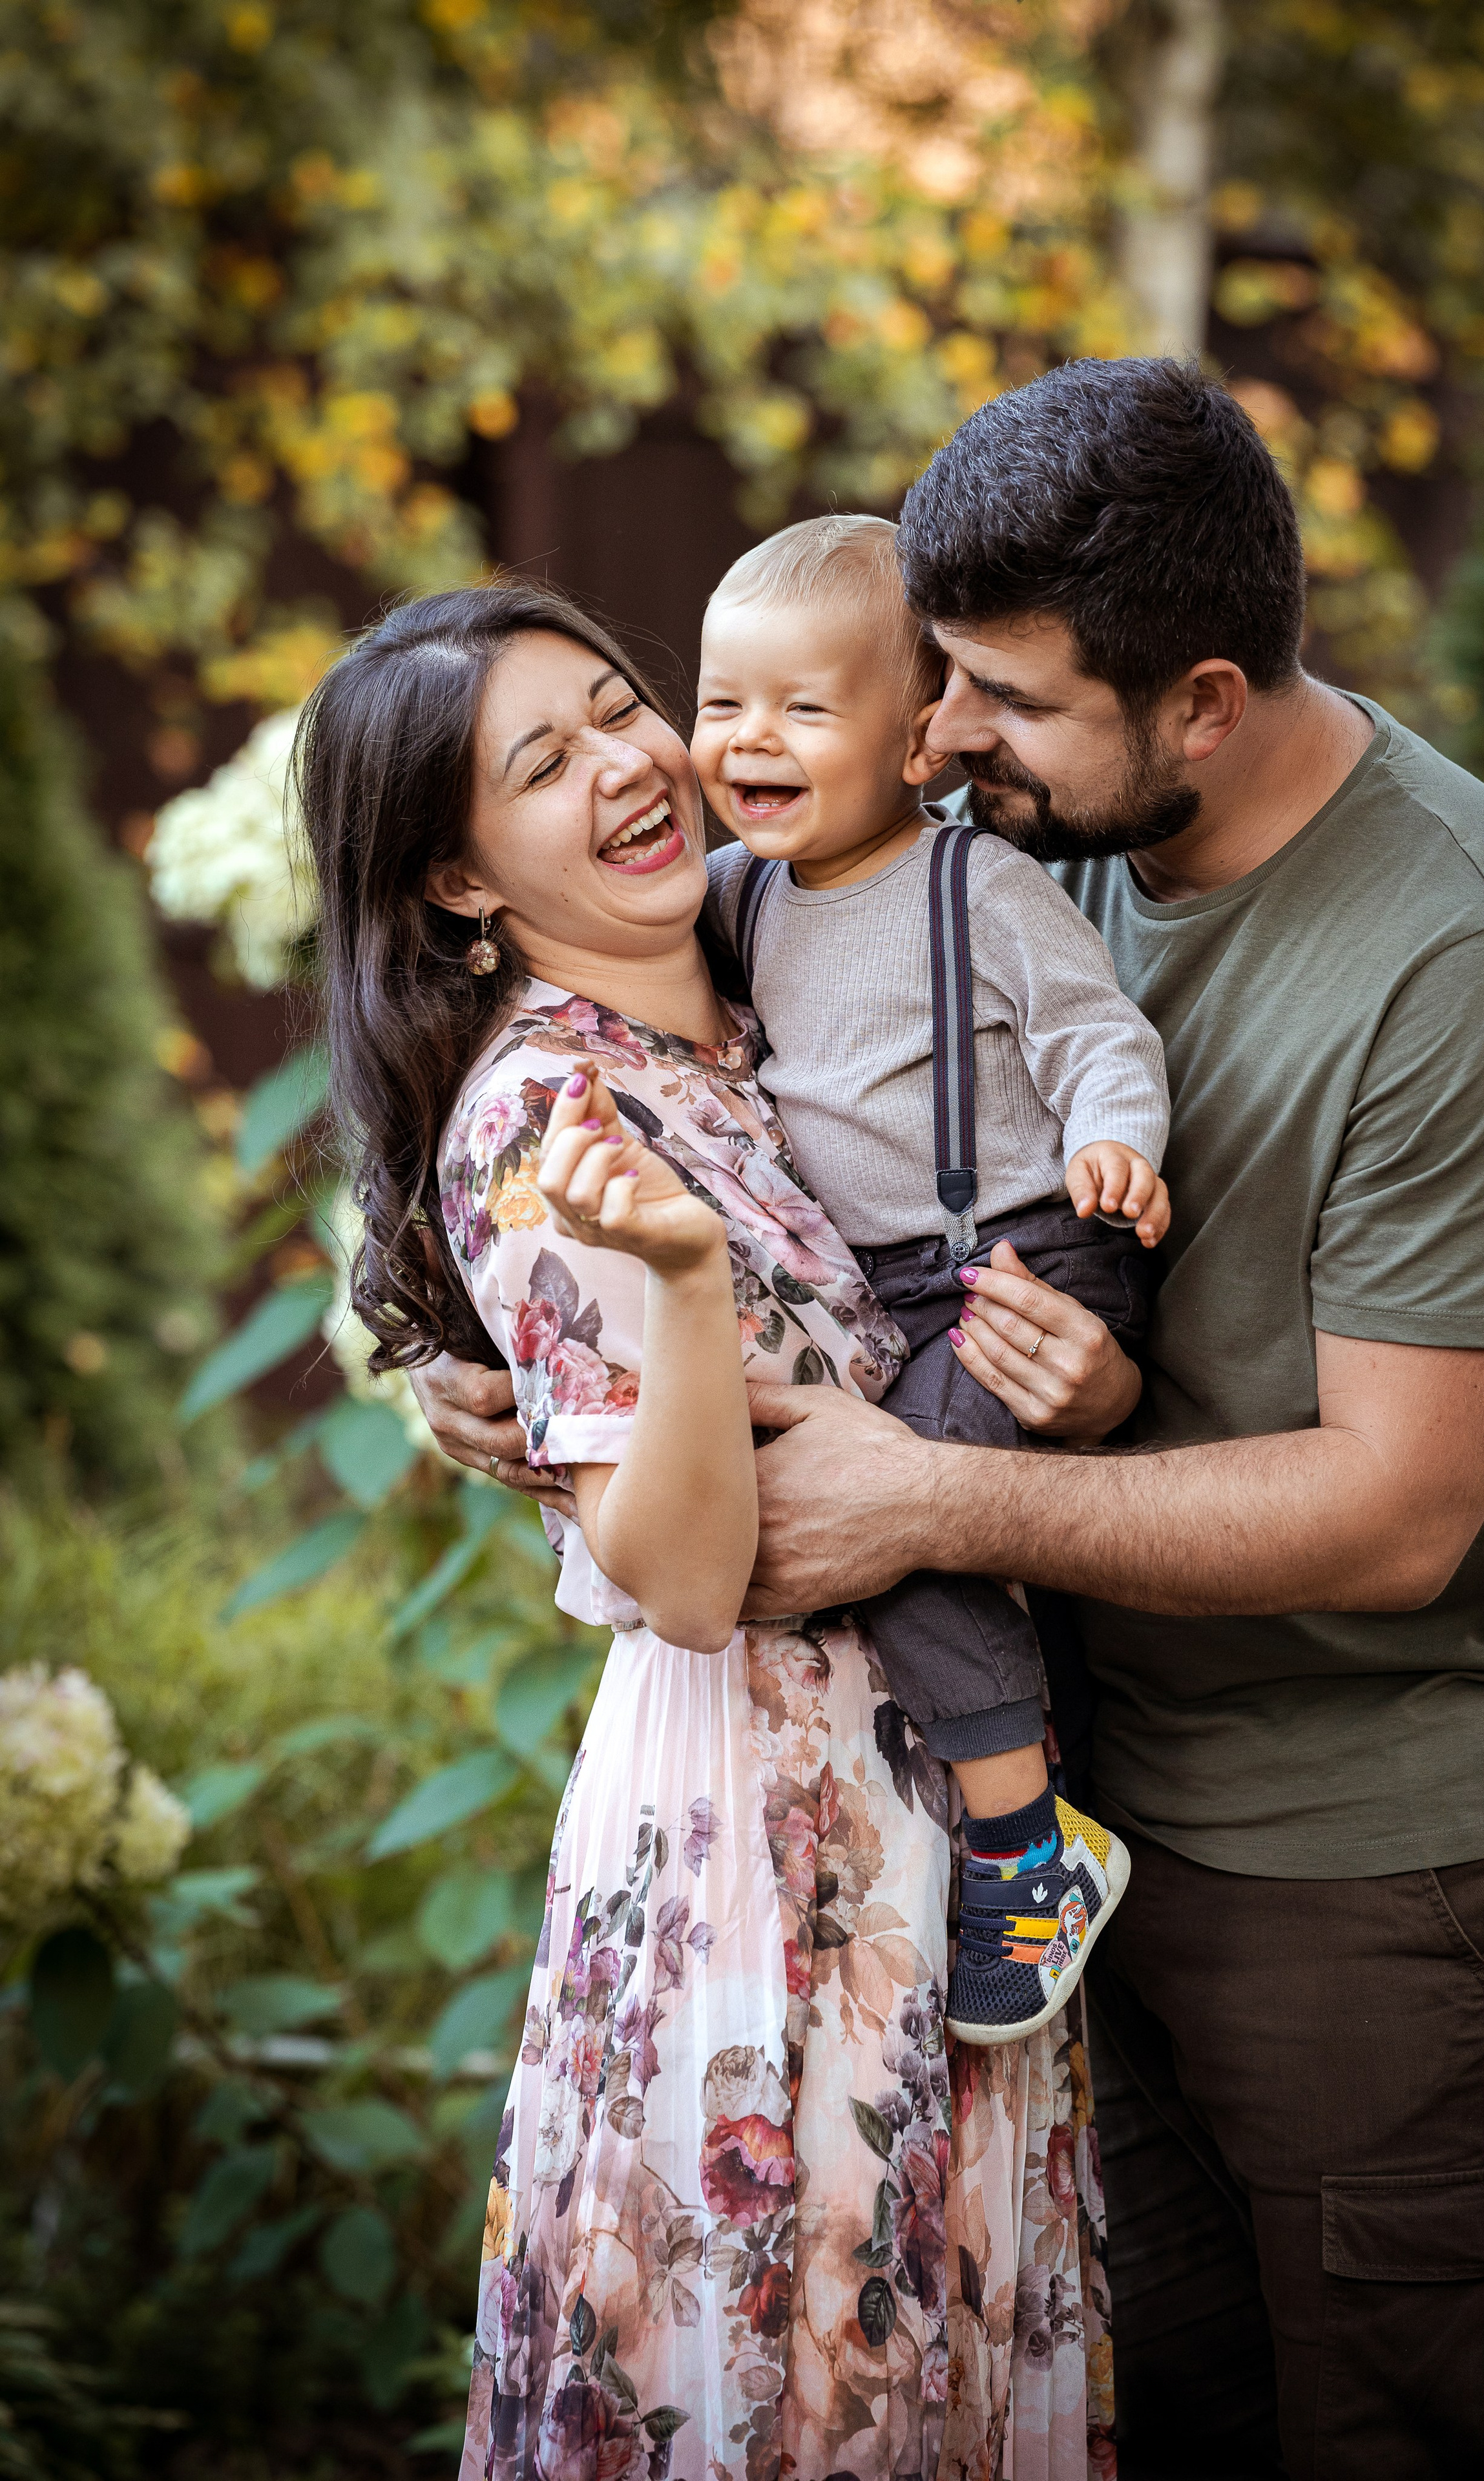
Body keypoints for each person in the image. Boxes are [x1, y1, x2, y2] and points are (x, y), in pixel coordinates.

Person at [413, 361, 1484, 2481]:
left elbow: (1396, 1516)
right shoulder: (1030, 837)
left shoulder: (1467, 965)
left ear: (1201, 701)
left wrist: (928, 1491)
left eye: (998, 696)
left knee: (1383, 2436)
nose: (945, 737)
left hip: (1383, 1857)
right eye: (939, 683)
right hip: (1092, 1799)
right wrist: (523, 1355)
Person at [297, 579, 1113, 2481]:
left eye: (614, 707)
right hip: (766, 1844)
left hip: (948, 1837)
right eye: (543, 761)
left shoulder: (768, 987)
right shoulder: (548, 1111)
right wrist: (668, 1282)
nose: (629, 763)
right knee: (802, 2392)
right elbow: (673, 1576)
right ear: (456, 884)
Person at [695, 510, 1169, 2045]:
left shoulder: (976, 888)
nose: (746, 740)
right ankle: (997, 1809)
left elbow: (1098, 1035)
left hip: (1024, 1256)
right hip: (886, 1288)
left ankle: (1028, 1849)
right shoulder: (738, 897)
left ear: (916, 746)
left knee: (914, 1516)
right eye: (720, 705)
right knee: (865, 1510)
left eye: (799, 710)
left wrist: (1111, 1139)